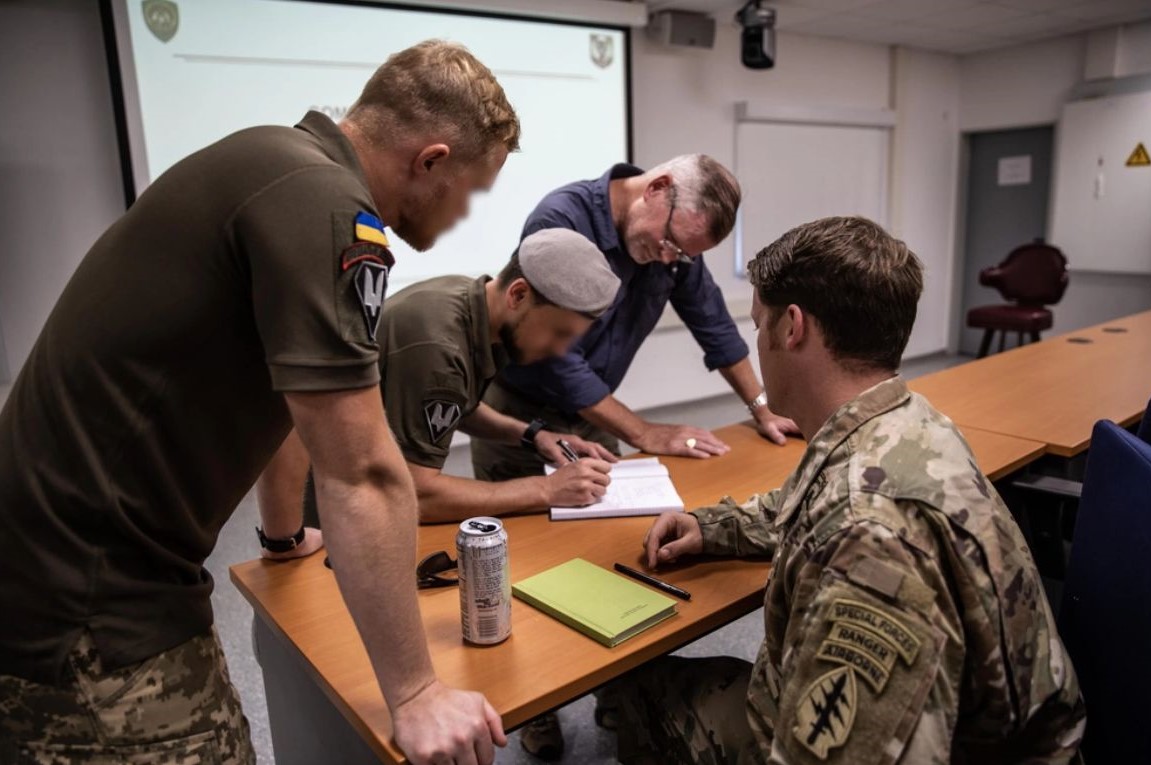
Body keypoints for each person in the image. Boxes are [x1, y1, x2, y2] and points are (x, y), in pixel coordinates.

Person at [0, 40, 517, 765]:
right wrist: (414, 691)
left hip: (47, 559)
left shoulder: (274, 160)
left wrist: (279, 537)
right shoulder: (331, 206)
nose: (466, 212)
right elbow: (363, 470)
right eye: (471, 188)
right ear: (430, 159)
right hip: (91, 595)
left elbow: (297, 404)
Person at [615, 216, 1086, 764]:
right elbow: (811, 500)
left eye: (759, 325)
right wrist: (711, 526)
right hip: (977, 725)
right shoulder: (906, 422)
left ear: (792, 327)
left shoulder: (871, 542)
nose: (759, 343)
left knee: (638, 689)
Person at [471, 154, 801, 759]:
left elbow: (712, 323)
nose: (673, 260)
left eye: (685, 255)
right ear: (658, 188)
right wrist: (643, 432)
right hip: (523, 414)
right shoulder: (563, 217)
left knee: (603, 554)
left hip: (593, 419)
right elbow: (555, 356)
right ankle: (535, 709)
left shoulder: (673, 246)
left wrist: (760, 404)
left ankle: (616, 691)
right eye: (671, 245)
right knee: (527, 564)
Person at [260, 228, 624, 526]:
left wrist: (533, 436)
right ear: (518, 294)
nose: (560, 350)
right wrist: (547, 490)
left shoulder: (471, 303)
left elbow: (459, 406)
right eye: (559, 333)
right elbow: (419, 495)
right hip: (335, 521)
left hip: (355, 497)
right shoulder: (439, 346)